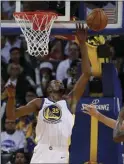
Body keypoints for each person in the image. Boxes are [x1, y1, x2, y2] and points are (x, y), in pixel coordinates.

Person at [5, 23, 91, 164]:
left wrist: (82, 44)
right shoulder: (39, 102)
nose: (57, 81)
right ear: (48, 89)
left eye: (59, 82)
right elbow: (11, 115)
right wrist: (11, 97)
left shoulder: (69, 100)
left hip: (60, 152)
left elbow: (87, 73)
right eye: (53, 81)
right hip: (41, 152)